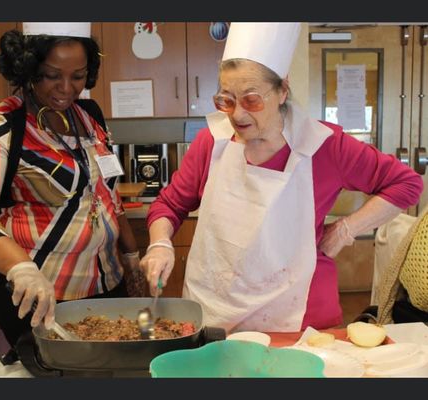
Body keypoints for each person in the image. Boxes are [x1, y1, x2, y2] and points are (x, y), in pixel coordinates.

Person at [139, 22, 424, 333]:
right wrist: (160, 244)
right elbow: (169, 206)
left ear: (282, 90)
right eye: (227, 100)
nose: (237, 115)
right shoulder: (212, 143)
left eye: (251, 99)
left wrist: (346, 229)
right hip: (217, 316)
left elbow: (407, 184)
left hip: (300, 320)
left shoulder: (324, 145)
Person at [0, 22, 144, 348]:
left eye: (78, 76)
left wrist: (132, 259)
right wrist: (21, 268)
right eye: (52, 75)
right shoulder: (4, 126)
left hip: (106, 287)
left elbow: (107, 194)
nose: (66, 88)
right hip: (41, 298)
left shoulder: (89, 115)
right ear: (28, 67)